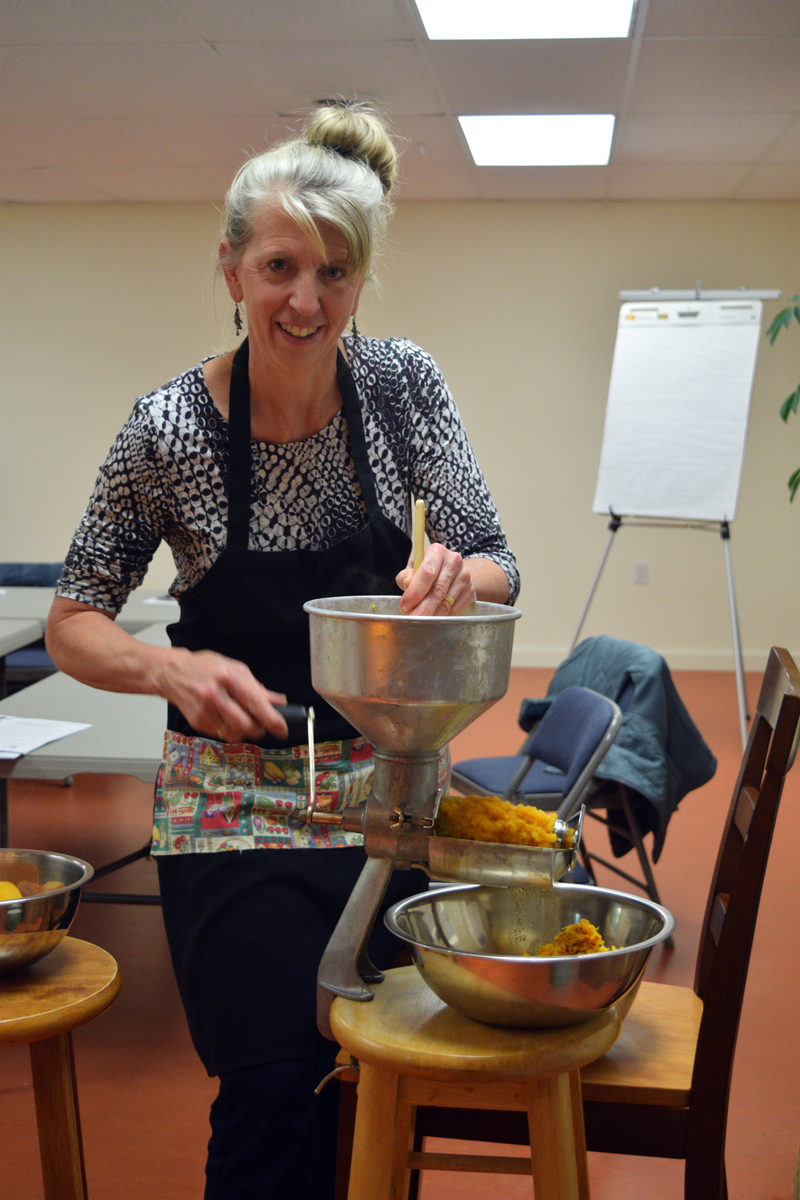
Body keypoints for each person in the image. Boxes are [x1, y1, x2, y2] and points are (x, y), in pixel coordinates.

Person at [46, 101, 520, 1200]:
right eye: (278, 266)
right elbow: (76, 616)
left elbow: (497, 559)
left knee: (376, 1072)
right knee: (273, 1085)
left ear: (360, 280)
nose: (306, 299)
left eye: (334, 271)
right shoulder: (167, 430)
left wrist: (457, 577)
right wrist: (169, 668)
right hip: (229, 802)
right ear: (229, 269)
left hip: (384, 786)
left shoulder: (401, 389)